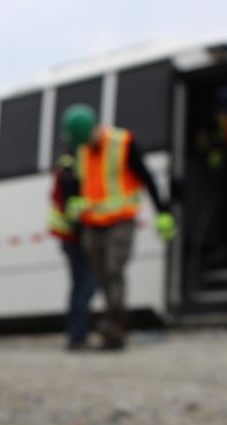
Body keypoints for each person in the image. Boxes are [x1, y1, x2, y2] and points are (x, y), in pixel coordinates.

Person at [62, 103, 176, 351]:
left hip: (121, 220)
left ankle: (116, 325)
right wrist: (74, 205)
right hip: (93, 223)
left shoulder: (122, 143)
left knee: (114, 269)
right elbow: (75, 183)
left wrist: (163, 213)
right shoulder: (77, 148)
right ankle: (112, 321)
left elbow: (146, 178)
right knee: (101, 274)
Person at [48, 153, 97, 351]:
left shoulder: (65, 167)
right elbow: (71, 207)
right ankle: (77, 337)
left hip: (70, 237)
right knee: (84, 286)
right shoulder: (70, 170)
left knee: (83, 286)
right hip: (74, 238)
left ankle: (78, 335)